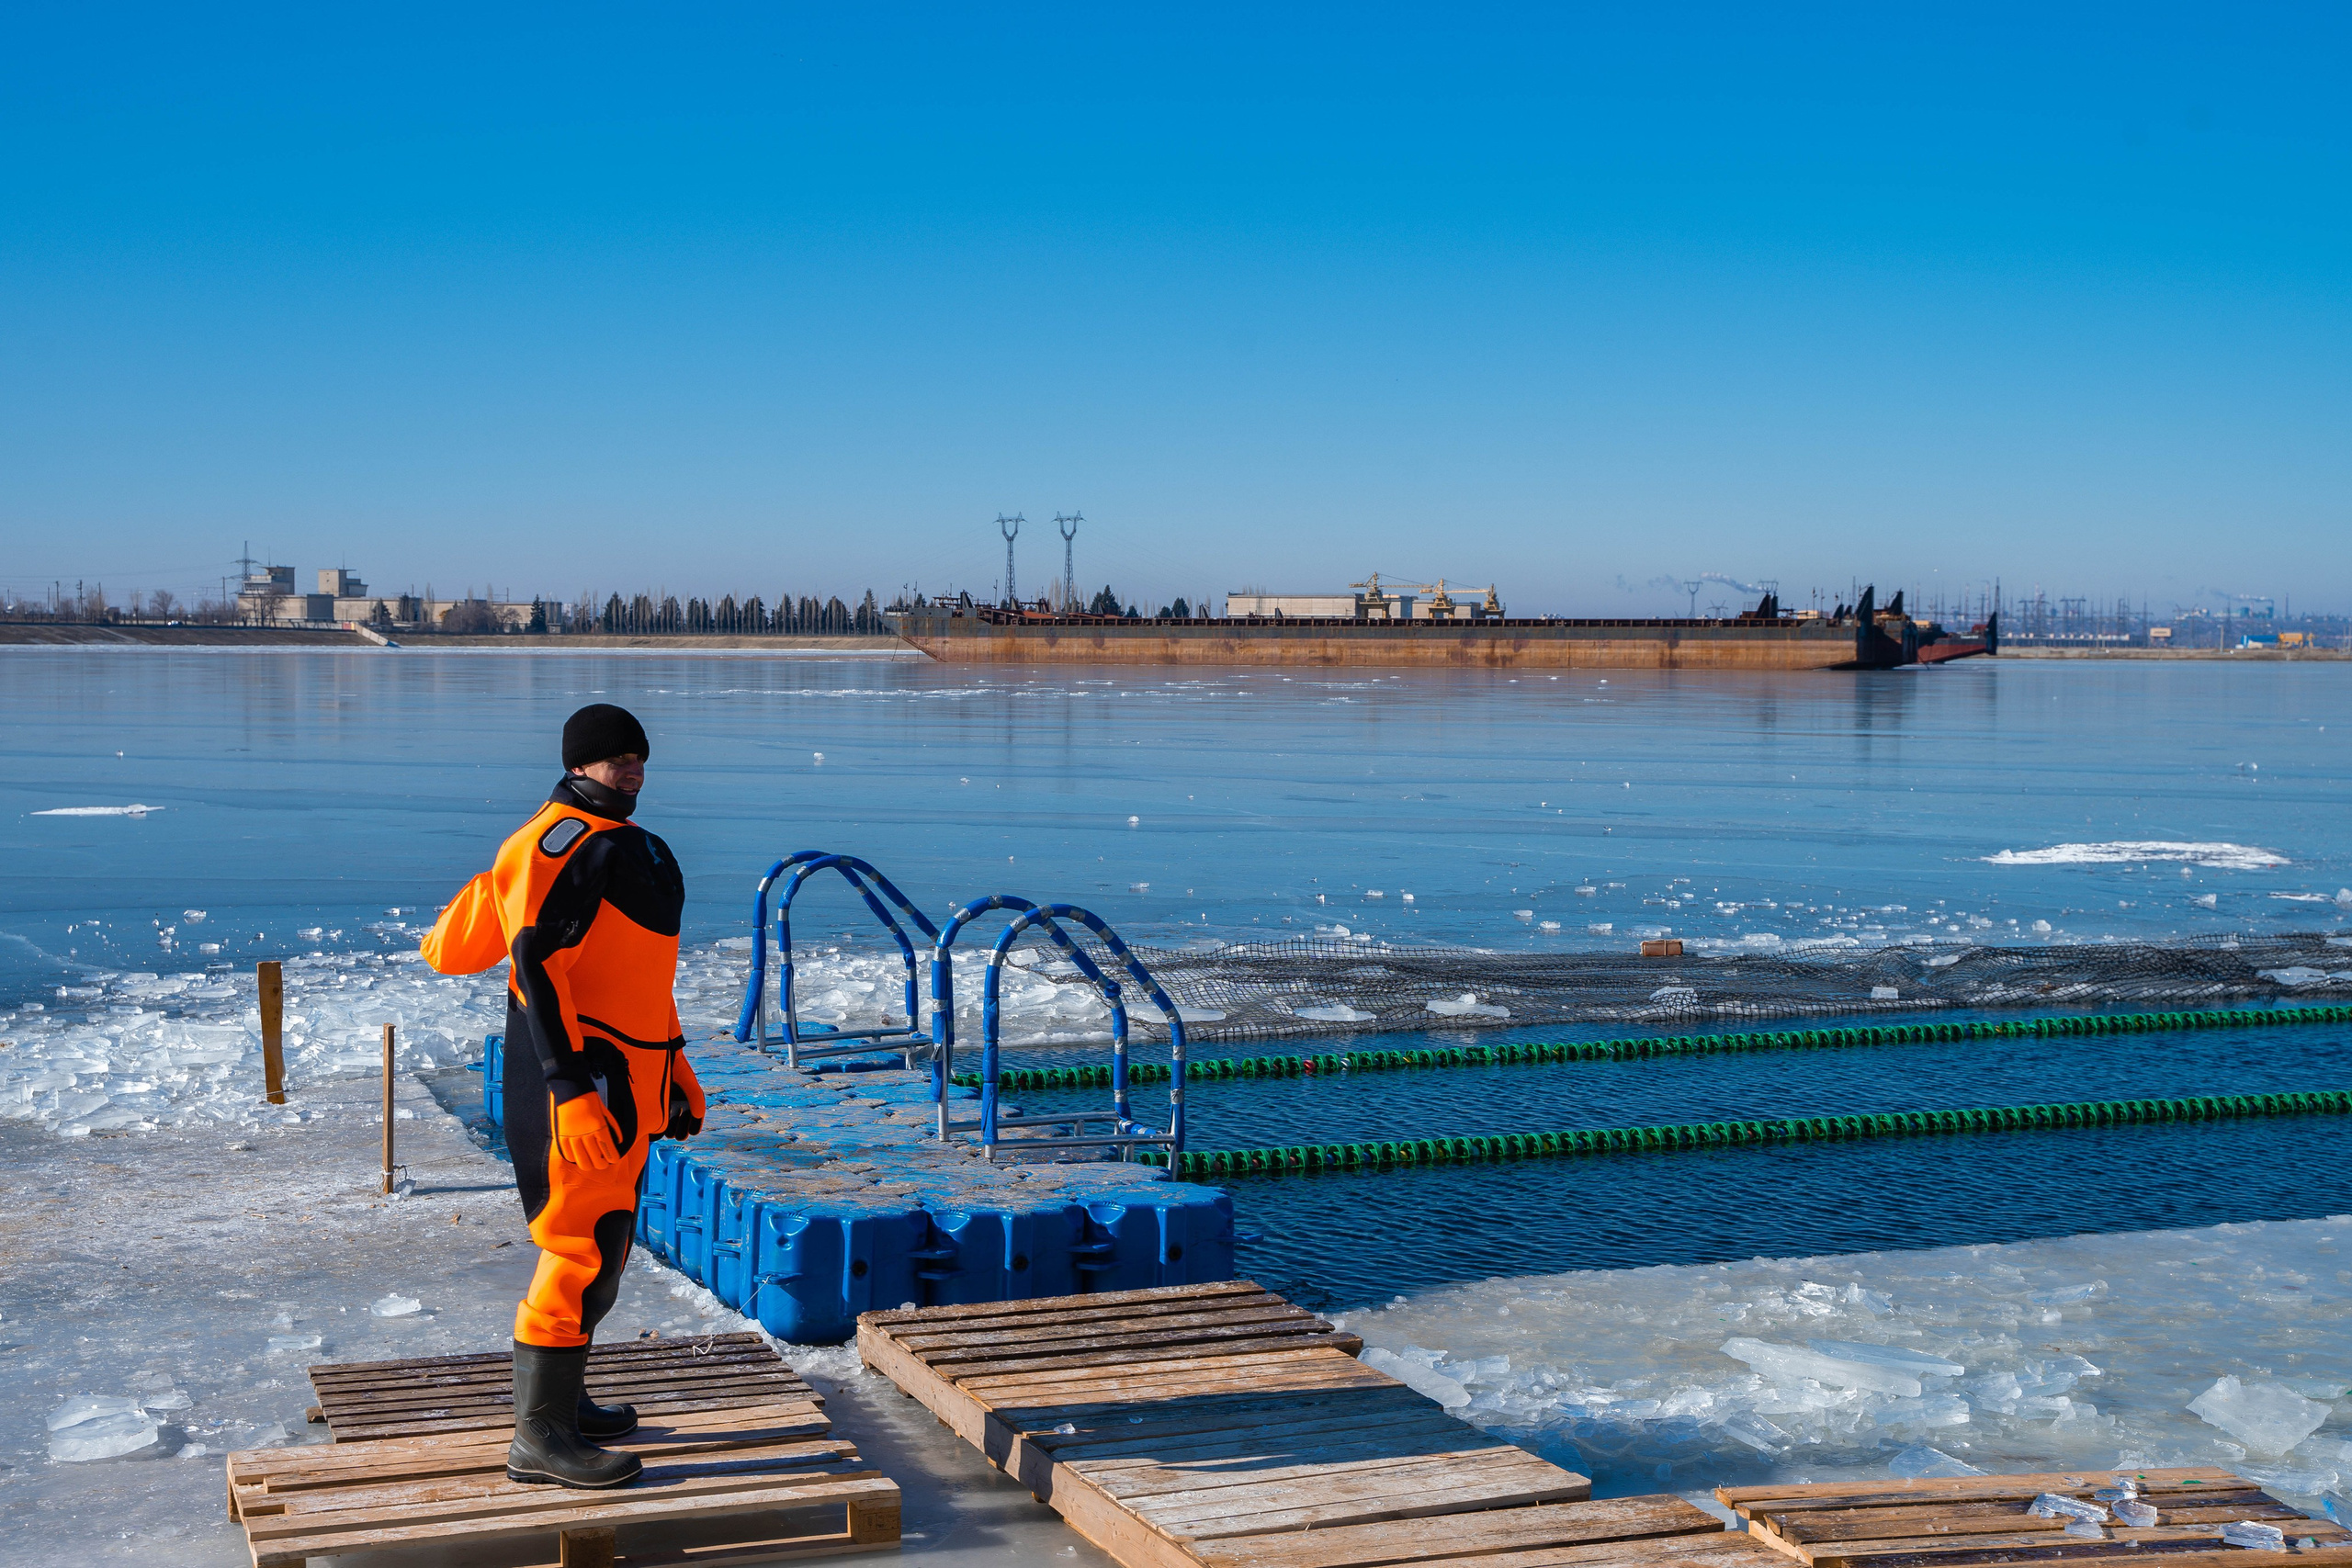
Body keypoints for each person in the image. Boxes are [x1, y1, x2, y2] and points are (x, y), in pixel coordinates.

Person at [423, 703, 704, 1489]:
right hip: (580, 1087)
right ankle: (538, 1437)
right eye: (617, 758)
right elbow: (534, 970)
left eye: (640, 757)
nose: (634, 769)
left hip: (631, 1079)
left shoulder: (627, 846)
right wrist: (571, 1089)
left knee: (604, 1252)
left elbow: (644, 979)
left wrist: (676, 1065)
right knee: (579, 1251)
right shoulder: (558, 844)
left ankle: (565, 1402)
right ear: (579, 765)